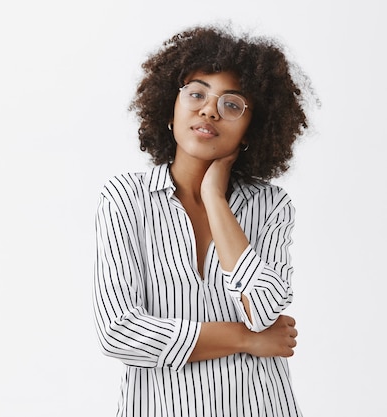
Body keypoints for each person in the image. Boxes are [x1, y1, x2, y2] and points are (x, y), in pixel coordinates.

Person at [93, 23, 316, 417]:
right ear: (170, 108)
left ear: (251, 128)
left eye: (232, 104)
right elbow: (121, 332)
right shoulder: (125, 198)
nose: (210, 109)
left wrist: (215, 198)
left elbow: (264, 310)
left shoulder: (270, 205)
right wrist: (247, 340)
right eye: (197, 93)